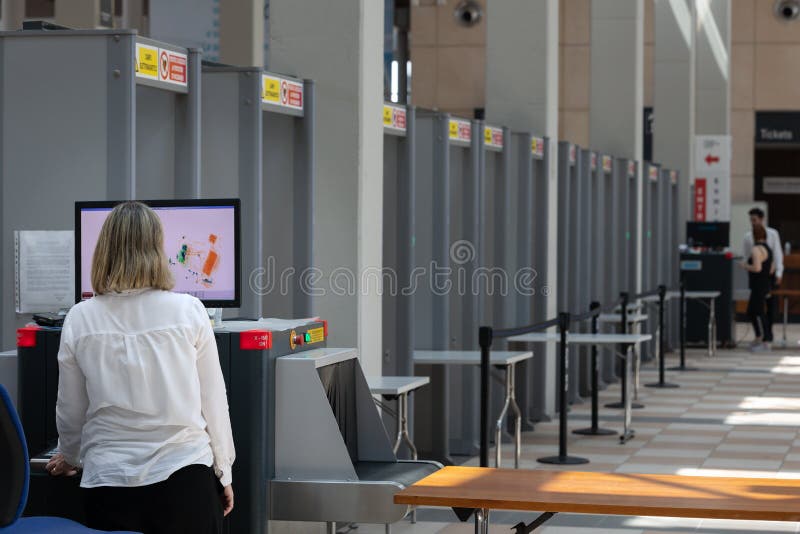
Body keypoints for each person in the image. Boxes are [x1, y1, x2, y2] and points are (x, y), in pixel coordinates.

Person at [45, 201, 235, 534]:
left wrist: (70, 456)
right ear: (158, 249)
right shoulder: (190, 311)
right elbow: (214, 403)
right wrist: (224, 473)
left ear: (104, 250)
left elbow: (71, 410)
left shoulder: (80, 318)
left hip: (109, 485)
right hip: (185, 479)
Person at [743, 207, 783, 346]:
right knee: (757, 308)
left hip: (767, 275)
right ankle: (763, 335)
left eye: (755, 220)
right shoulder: (748, 237)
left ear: (761, 219)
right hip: (757, 276)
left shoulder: (772, 234)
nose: (753, 222)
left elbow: (777, 254)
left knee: (768, 307)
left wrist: (778, 272)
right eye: (751, 220)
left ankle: (767, 334)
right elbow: (748, 256)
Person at [740, 224, 774, 352]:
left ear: (754, 236)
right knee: (752, 311)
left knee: (758, 312)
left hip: (758, 285)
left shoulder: (756, 249)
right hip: (765, 284)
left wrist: (745, 266)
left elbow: (757, 268)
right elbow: (771, 268)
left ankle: (765, 341)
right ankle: (760, 337)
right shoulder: (768, 249)